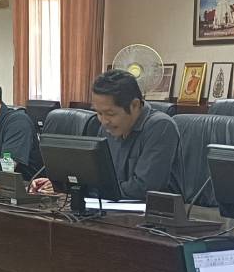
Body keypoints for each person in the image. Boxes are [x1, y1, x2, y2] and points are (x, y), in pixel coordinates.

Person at [34, 69, 178, 200]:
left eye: (110, 113)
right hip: (111, 208)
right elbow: (98, 175)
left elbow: (143, 188)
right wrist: (62, 185)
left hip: (153, 215)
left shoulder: (161, 127)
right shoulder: (108, 127)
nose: (104, 121)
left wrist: (91, 189)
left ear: (134, 105)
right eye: (99, 113)